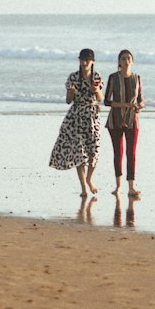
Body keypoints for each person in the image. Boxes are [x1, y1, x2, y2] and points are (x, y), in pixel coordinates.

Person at [49, 48, 102, 197]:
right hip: (76, 117)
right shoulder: (73, 77)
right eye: (82, 60)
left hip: (92, 117)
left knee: (94, 151)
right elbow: (68, 101)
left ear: (92, 62)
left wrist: (96, 89)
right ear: (79, 60)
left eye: (87, 60)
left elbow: (100, 98)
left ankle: (89, 179)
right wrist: (71, 93)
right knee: (79, 153)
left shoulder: (96, 76)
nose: (84, 62)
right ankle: (84, 188)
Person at [103, 49, 144, 200]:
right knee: (118, 152)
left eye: (129, 58)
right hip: (115, 120)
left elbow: (141, 100)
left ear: (132, 61)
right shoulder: (113, 78)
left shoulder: (137, 78)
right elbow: (107, 101)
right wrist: (123, 105)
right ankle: (118, 186)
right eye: (123, 59)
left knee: (131, 153)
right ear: (119, 62)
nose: (126, 61)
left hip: (132, 120)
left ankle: (131, 187)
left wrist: (139, 106)